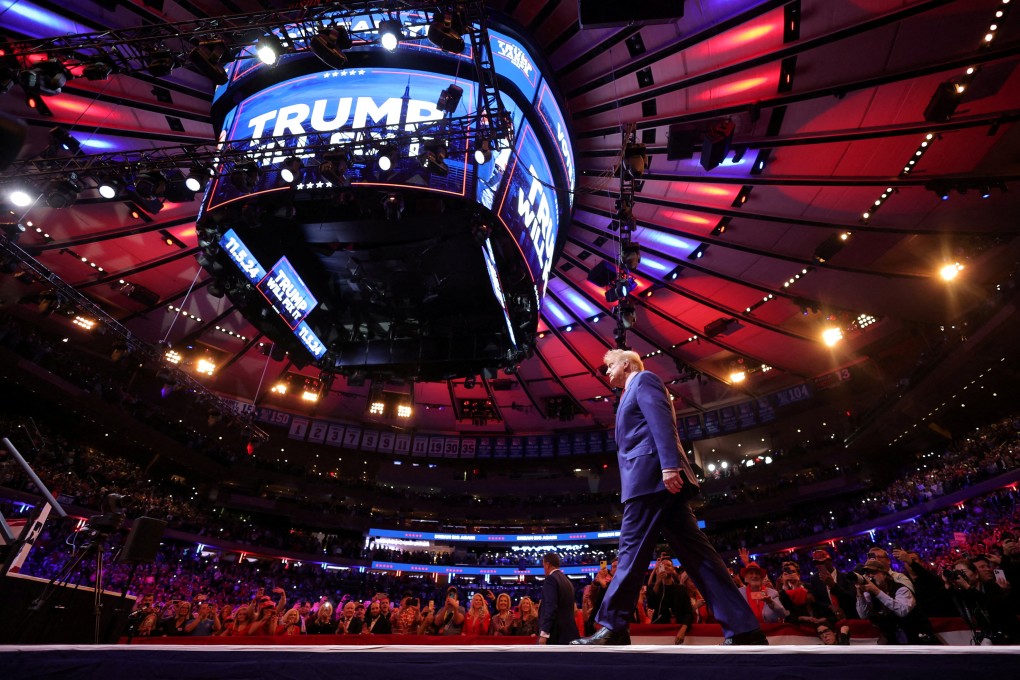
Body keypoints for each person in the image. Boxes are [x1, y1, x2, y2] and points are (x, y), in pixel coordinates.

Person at [571, 349, 766, 646]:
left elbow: (662, 424)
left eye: (608, 366)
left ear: (626, 364)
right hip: (652, 480)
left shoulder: (645, 380)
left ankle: (613, 626)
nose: (605, 372)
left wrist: (669, 466)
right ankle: (743, 628)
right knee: (699, 556)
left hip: (650, 480)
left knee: (630, 551)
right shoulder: (626, 394)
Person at [538, 552, 580, 644]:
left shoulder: (550, 579)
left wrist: (544, 634)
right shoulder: (567, 581)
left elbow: (551, 607)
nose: (544, 569)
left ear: (547, 565)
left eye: (543, 566)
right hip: (569, 633)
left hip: (556, 635)